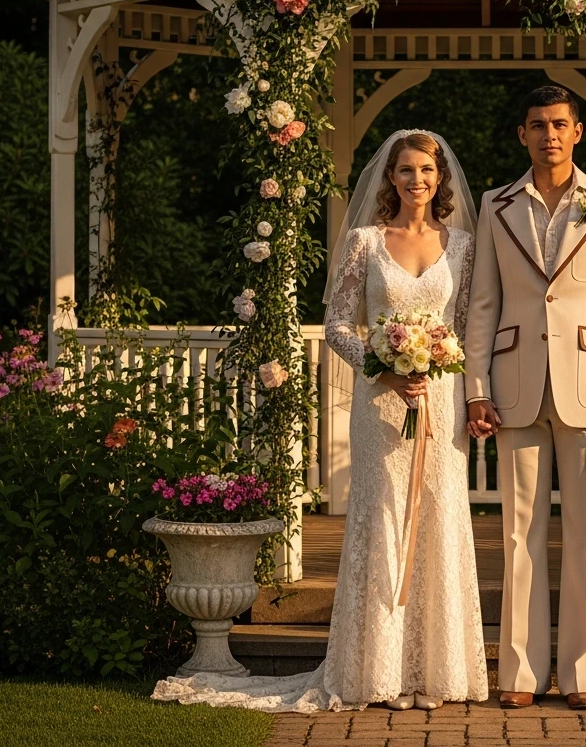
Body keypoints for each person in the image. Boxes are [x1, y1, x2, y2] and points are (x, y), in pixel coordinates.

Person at [153, 129, 488, 712]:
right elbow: (337, 323)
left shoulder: (462, 246)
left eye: (427, 171)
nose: (417, 181)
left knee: (439, 518)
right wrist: (383, 366)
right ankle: (373, 672)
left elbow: (467, 326)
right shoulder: (364, 241)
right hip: (380, 404)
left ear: (442, 179)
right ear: (390, 177)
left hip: (440, 401)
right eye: (406, 170)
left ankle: (438, 671)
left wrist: (441, 367)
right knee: (379, 520)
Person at [464, 85, 586, 711]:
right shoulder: (496, 205)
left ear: (577, 133)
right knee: (519, 533)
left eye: (560, 124)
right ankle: (518, 674)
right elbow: (482, 304)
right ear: (522, 134)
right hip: (514, 384)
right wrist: (476, 388)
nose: (549, 135)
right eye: (538, 125)